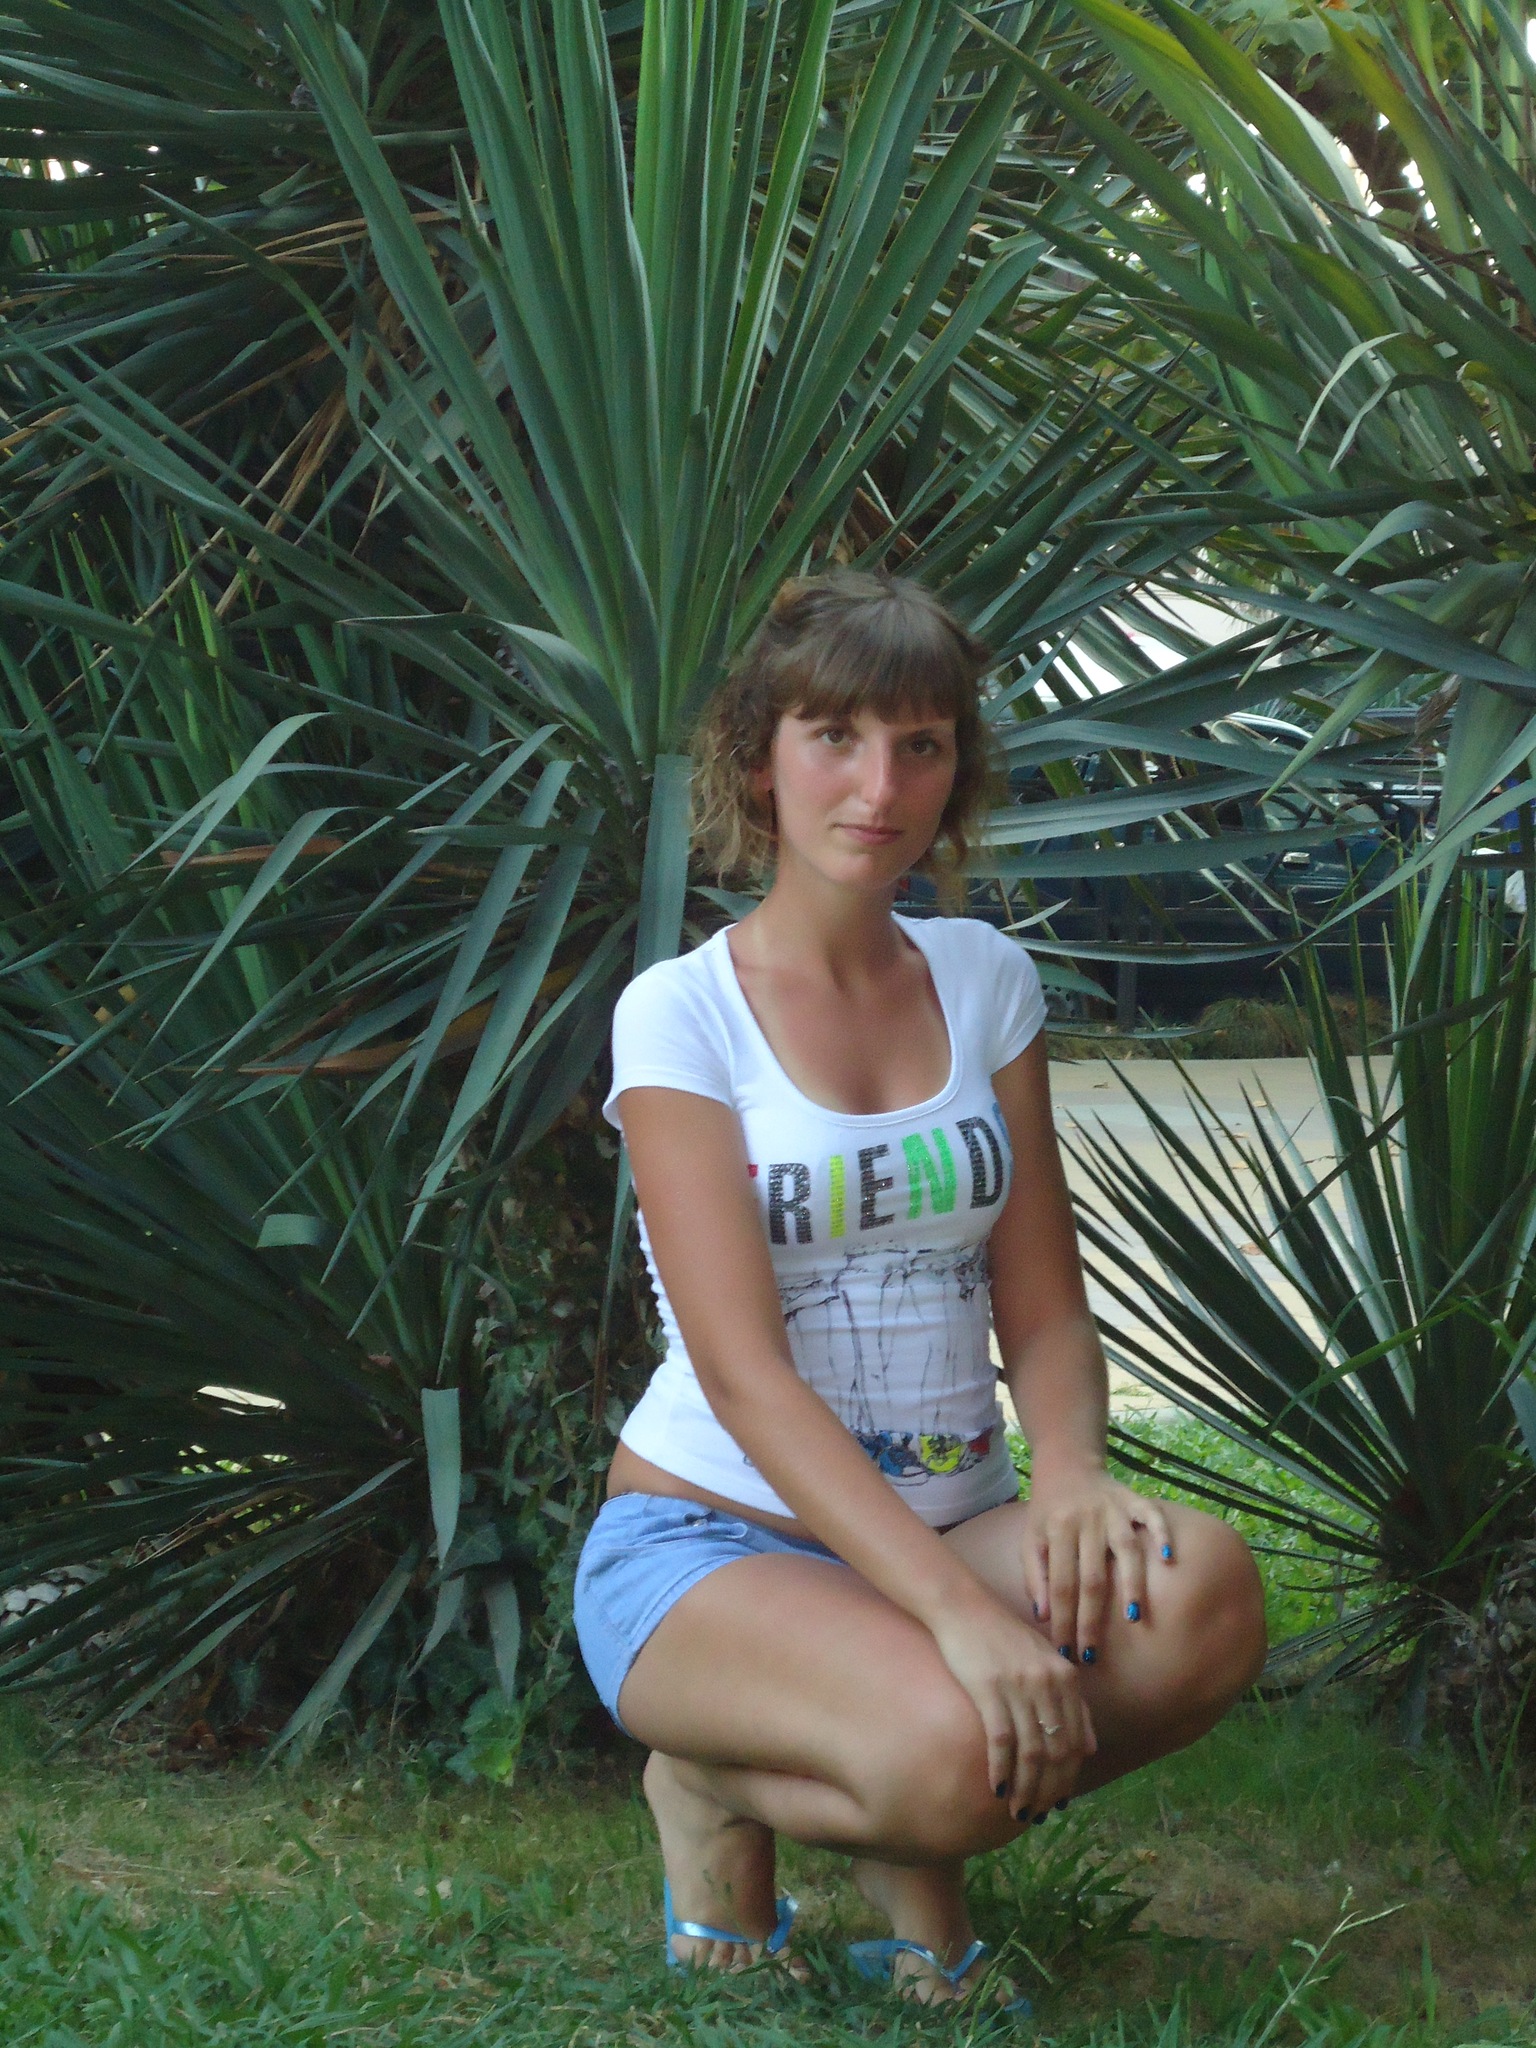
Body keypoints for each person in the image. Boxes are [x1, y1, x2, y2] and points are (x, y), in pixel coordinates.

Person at [573, 572, 1267, 2004]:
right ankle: (707, 1783)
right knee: (962, 1744)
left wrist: (1072, 1477)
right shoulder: (681, 1013)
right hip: (710, 1542)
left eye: (921, 744)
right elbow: (745, 1378)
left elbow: (1044, 1303)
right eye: (835, 736)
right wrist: (961, 1621)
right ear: (758, 759)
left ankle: (906, 1800)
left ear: (956, 772)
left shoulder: (983, 979)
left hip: (957, 1517)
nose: (879, 786)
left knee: (1204, 1598)